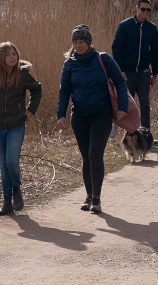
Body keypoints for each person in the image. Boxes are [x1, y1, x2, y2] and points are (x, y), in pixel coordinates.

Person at [58, 25, 128, 213]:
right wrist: (61, 115)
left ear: (88, 42)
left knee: (95, 154)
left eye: (81, 41)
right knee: (86, 157)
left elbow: (120, 82)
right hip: (79, 117)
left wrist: (123, 106)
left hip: (101, 115)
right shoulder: (70, 64)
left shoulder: (103, 59)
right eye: (75, 42)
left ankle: (96, 198)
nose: (78, 45)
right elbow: (64, 91)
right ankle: (88, 196)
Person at [0, 42, 42, 216]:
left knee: (11, 161)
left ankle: (16, 189)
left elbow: (37, 90)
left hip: (16, 125)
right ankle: (6, 203)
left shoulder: (23, 74)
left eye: (14, 54)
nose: (13, 57)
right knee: (3, 165)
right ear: (0, 58)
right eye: (8, 55)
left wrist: (30, 111)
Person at [112, 0, 158, 128]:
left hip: (144, 72)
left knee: (145, 104)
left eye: (148, 10)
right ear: (136, 8)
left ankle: (146, 133)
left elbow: (155, 52)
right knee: (126, 103)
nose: (145, 12)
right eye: (143, 9)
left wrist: (154, 73)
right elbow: (116, 48)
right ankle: (126, 130)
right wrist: (120, 70)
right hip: (127, 72)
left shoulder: (152, 28)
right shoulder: (124, 26)